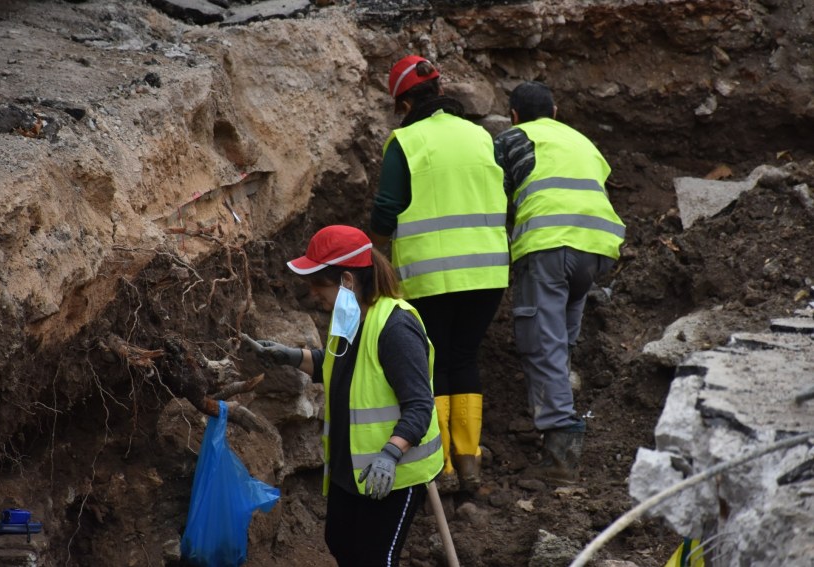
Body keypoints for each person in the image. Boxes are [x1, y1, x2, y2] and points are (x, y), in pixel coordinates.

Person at [250, 225, 443, 567]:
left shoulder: (396, 328)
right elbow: (338, 367)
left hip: (391, 473)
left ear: (347, 281)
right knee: (339, 542)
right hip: (351, 468)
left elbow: (419, 405)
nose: (313, 294)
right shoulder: (350, 319)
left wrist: (389, 455)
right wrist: (290, 356)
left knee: (374, 559)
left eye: (318, 284)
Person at [368, 55, 510, 493]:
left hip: (431, 277)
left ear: (404, 103)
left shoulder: (407, 141)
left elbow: (387, 209)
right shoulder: (481, 135)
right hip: (487, 274)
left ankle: (442, 468)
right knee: (465, 358)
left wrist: (378, 240)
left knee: (435, 364)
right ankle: (470, 465)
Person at [493, 81, 626, 484]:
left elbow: (495, 198)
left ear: (514, 115)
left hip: (550, 245)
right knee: (563, 336)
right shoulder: (583, 142)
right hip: (597, 247)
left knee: (542, 339)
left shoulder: (514, 138)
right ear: (555, 111)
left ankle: (561, 449)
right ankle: (563, 418)